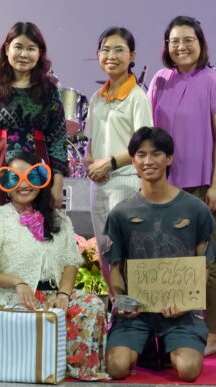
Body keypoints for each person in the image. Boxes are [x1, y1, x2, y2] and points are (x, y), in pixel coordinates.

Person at [0, 151, 107, 381]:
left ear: (41, 179)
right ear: (5, 183)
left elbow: (71, 262)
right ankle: (31, 367)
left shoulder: (59, 219)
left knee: (92, 305)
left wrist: (64, 294)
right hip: (13, 297)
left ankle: (73, 369)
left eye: (31, 177)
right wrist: (16, 282)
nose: (23, 184)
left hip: (53, 296)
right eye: (15, 178)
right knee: (23, 319)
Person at [146, 16, 216, 355]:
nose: (181, 47)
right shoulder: (160, 80)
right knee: (169, 257)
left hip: (203, 186)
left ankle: (212, 335)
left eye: (188, 40)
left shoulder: (213, 81)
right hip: (166, 185)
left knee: (206, 259)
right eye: (174, 41)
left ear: (201, 43)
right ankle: (176, 327)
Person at [104, 127, 215, 383]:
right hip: (138, 312)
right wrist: (121, 303)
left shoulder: (195, 209)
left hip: (180, 311)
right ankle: (144, 345)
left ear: (169, 158)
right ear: (133, 161)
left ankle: (168, 344)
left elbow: (205, 264)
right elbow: (116, 267)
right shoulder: (121, 213)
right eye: (141, 154)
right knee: (117, 367)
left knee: (188, 370)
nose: (148, 161)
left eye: (156, 154)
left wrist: (186, 301)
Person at [0, 22, 67, 210]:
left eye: (31, 48)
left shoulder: (50, 91)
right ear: (7, 49)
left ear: (39, 53)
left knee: (37, 223)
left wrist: (58, 184)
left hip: (38, 171)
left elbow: (58, 140)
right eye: (18, 47)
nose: (24, 54)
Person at [85, 27, 153, 283]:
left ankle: (133, 304)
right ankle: (116, 304)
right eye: (105, 50)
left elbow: (143, 146)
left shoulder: (137, 97)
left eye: (119, 50)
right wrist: (91, 163)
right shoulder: (96, 97)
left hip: (126, 182)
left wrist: (110, 164)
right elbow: (91, 141)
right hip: (99, 183)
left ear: (131, 56)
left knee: (126, 252)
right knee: (105, 253)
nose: (111, 56)